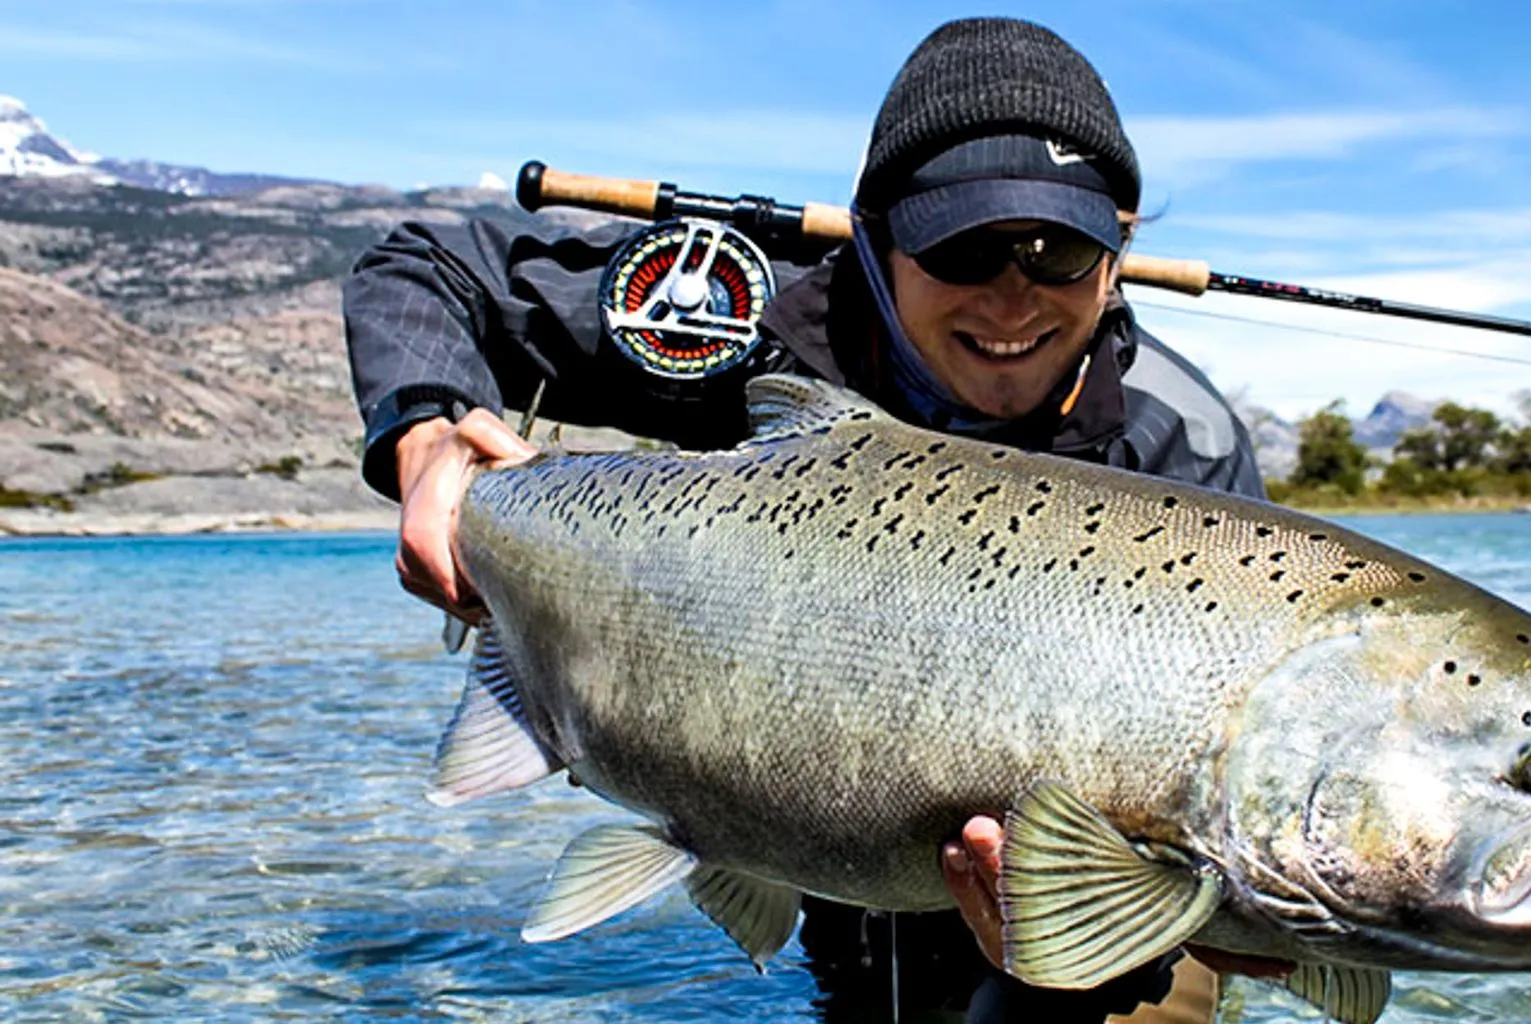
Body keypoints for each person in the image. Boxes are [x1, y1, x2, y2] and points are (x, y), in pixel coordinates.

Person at [345, 15, 1282, 1022]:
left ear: (1120, 251)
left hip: (1106, 889)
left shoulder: (1184, 456)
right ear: (876, 242)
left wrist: (1110, 940)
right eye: (963, 248)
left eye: (1059, 252)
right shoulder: (730, 321)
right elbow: (422, 271)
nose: (1013, 301)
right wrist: (428, 436)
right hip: (809, 838)